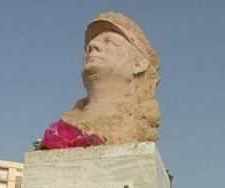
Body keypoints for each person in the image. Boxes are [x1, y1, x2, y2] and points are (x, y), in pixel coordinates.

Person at [62, 12, 161, 144]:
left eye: (109, 42)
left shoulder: (135, 126)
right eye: (88, 48)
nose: (93, 45)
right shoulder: (66, 124)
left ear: (139, 65)